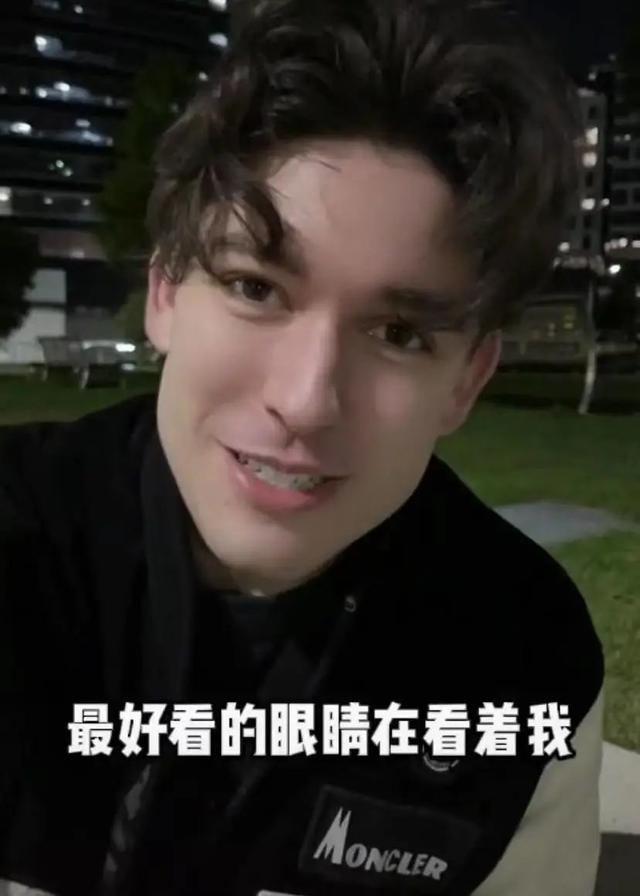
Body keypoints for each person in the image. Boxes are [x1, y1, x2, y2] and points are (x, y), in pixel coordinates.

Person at [0, 1, 604, 894]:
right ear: (165, 291)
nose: (307, 399)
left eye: (399, 334)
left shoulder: (524, 661)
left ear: (467, 380)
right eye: (256, 288)